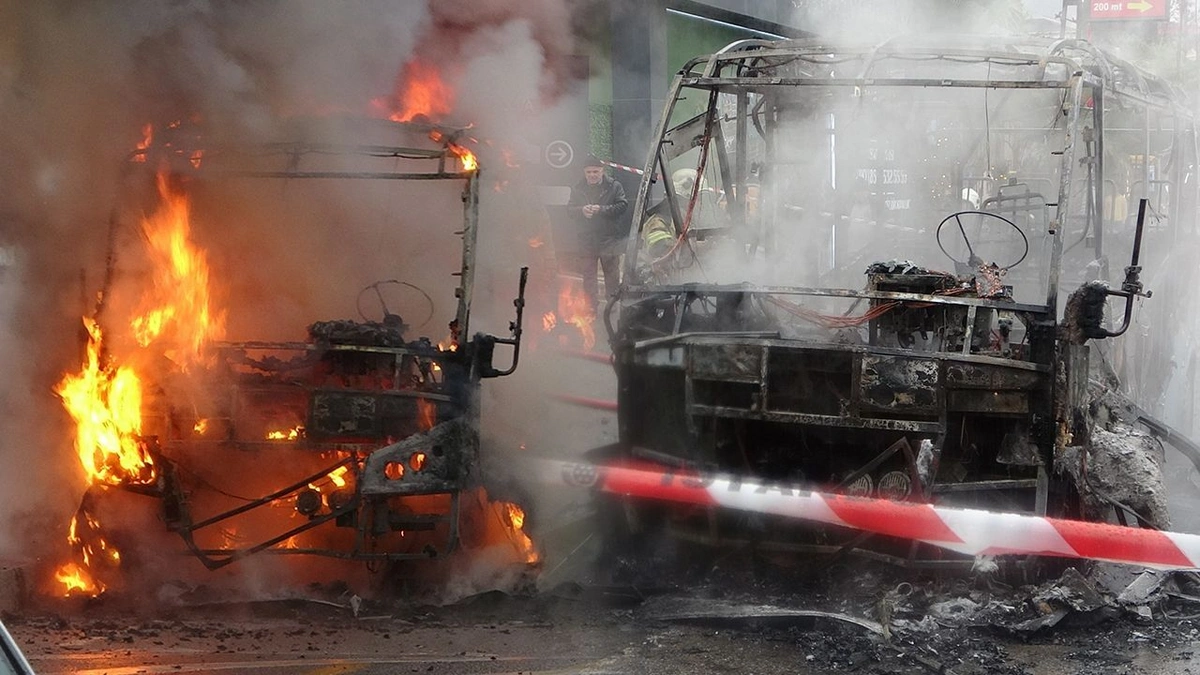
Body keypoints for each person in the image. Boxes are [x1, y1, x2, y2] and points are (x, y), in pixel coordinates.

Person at [568, 155, 628, 311]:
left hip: (608, 238)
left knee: (612, 275)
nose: (592, 175)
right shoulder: (577, 188)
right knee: (588, 276)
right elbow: (569, 210)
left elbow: (622, 205)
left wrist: (602, 210)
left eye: (595, 171)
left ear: (602, 171)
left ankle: (612, 306)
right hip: (586, 239)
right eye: (589, 172)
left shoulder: (614, 186)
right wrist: (582, 211)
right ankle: (590, 306)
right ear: (584, 172)